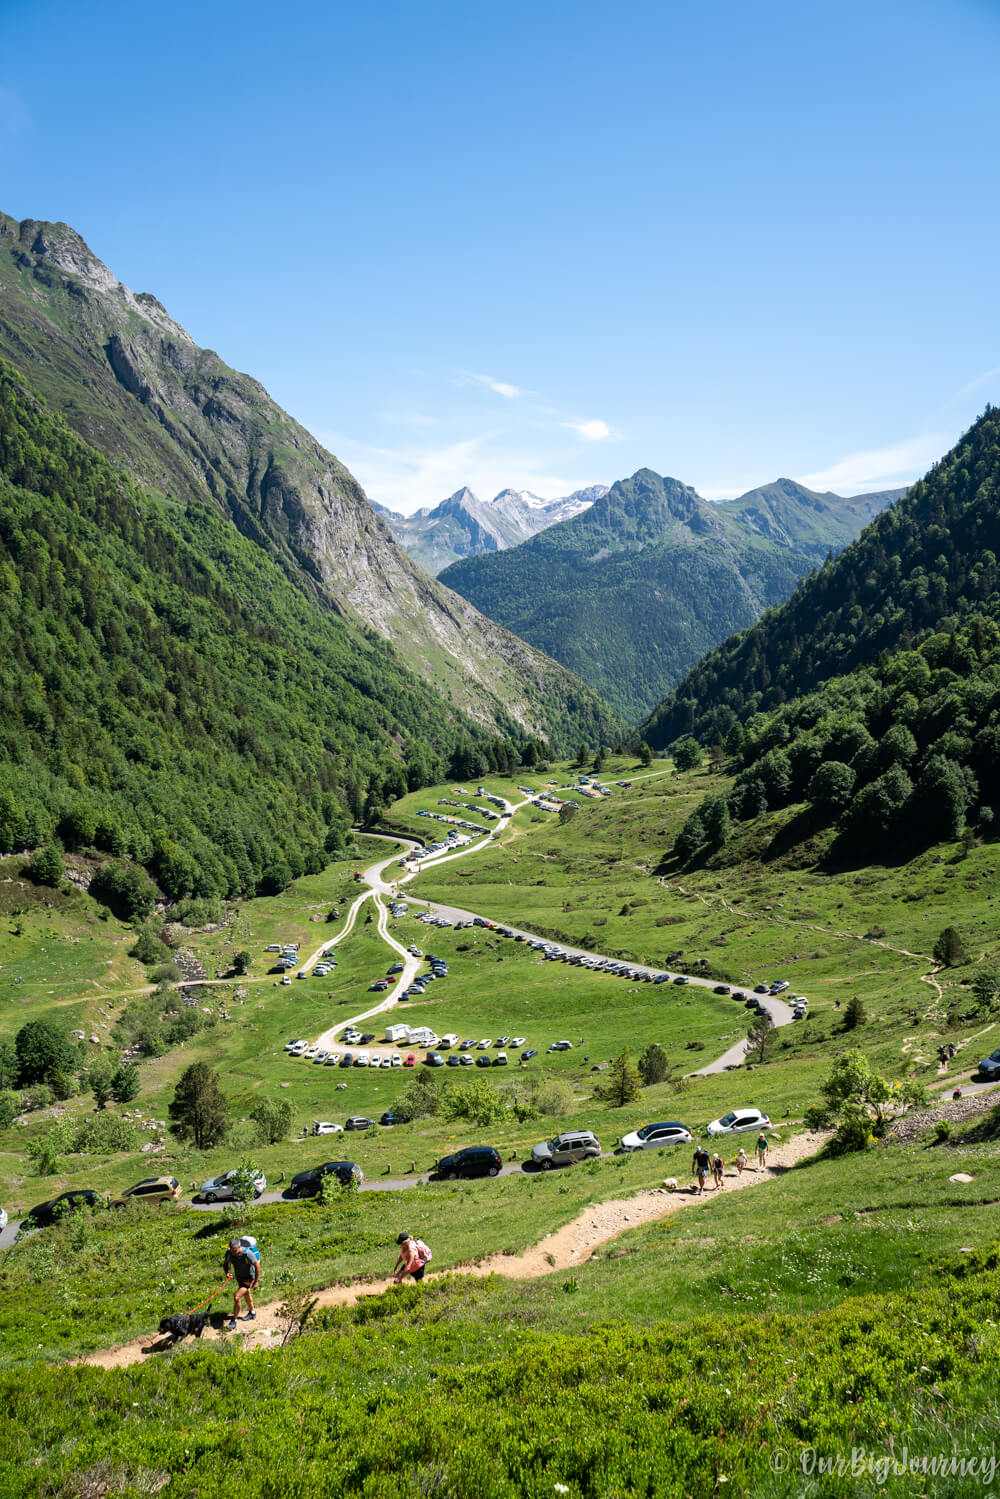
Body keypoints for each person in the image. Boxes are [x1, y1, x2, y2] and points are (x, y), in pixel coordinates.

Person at [223, 1237, 259, 1328]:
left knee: (237, 1297)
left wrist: (256, 1281)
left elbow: (257, 1266)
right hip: (239, 1277)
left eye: (235, 1251)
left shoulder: (247, 1254)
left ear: (239, 1247)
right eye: (232, 1251)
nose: (233, 1253)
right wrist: (227, 1272)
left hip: (249, 1278)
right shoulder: (229, 1253)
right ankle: (252, 1312)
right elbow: (225, 1263)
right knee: (246, 1294)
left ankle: (234, 1320)